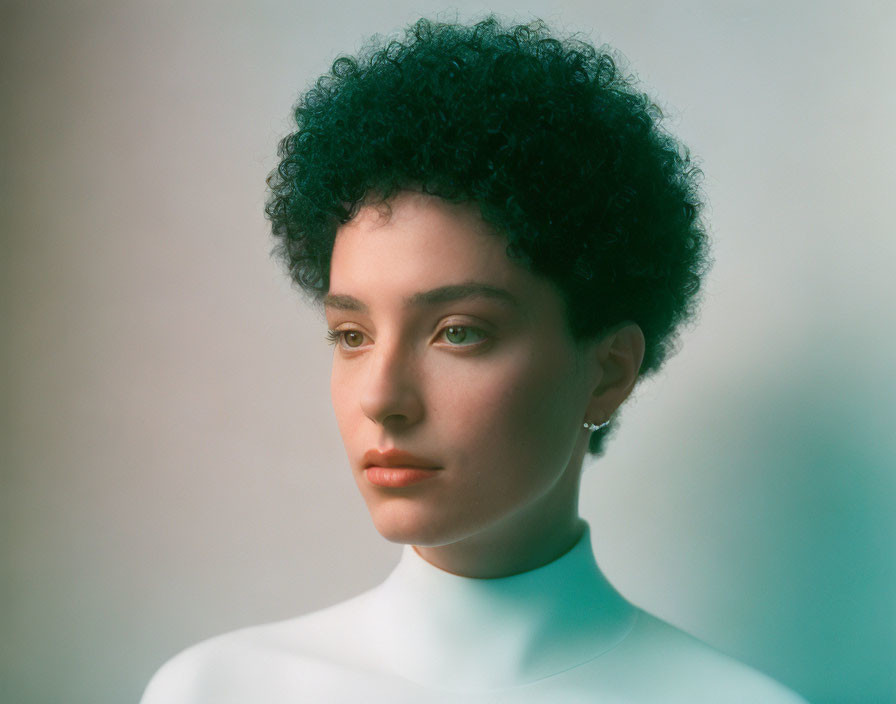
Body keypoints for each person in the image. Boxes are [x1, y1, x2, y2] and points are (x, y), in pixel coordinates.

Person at [141, 16, 806, 703]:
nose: (380, 397)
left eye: (458, 332)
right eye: (352, 334)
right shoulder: (216, 690)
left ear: (608, 371)